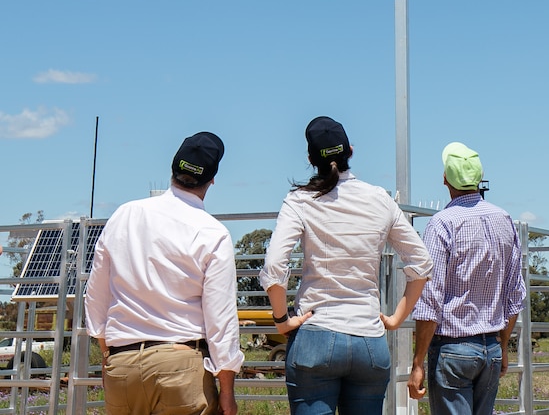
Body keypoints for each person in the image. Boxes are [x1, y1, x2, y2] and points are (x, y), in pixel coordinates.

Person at [260, 116, 432, 415]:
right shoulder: (379, 199)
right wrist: (395, 318)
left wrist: (281, 319)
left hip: (316, 334)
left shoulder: (300, 200)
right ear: (350, 151)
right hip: (369, 339)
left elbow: (275, 265)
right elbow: (421, 262)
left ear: (311, 159)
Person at [85, 132, 244, 415]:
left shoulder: (124, 215)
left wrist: (106, 351)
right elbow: (221, 320)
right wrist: (227, 392)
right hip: (181, 365)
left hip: (123, 364)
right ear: (212, 179)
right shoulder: (213, 233)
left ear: (172, 169)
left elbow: (96, 293)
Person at [409, 142, 527, 415]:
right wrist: (503, 346)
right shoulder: (504, 219)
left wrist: (418, 363)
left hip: (452, 347)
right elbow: (514, 294)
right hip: (491, 347)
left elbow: (430, 299)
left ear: (445, 179)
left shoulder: (442, 223)